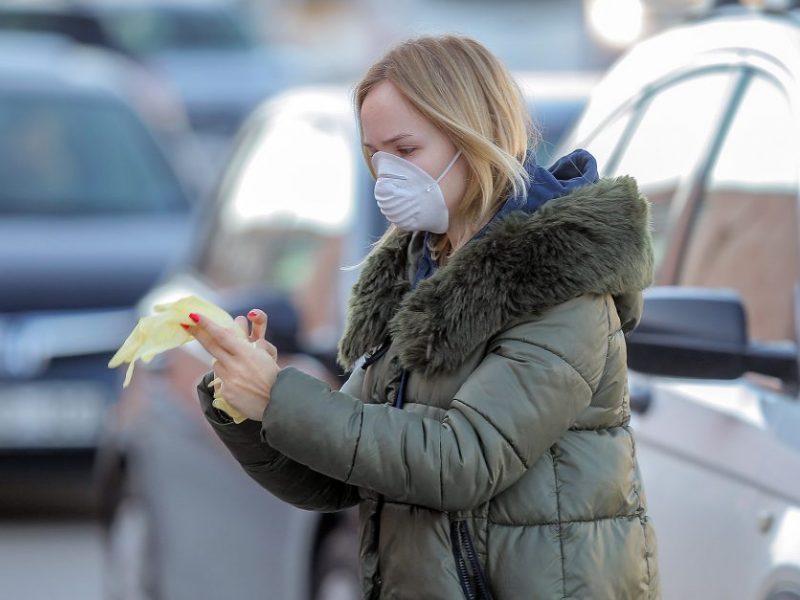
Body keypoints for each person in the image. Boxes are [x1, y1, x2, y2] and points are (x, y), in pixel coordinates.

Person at [186, 34, 661, 599]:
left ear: (474, 135)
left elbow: (462, 459)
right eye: (375, 156)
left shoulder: (559, 285)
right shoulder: (419, 272)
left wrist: (279, 398)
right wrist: (246, 403)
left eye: (406, 151)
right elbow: (342, 470)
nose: (387, 175)